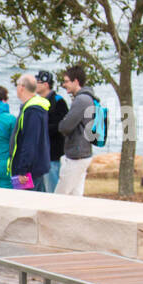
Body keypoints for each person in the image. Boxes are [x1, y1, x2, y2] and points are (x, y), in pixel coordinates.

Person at [56, 65, 99, 196]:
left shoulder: (81, 100)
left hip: (77, 155)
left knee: (59, 195)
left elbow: (65, 126)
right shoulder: (87, 98)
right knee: (75, 196)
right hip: (83, 153)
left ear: (76, 81)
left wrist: (62, 122)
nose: (64, 85)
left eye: (67, 81)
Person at [8, 73, 51, 191]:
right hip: (32, 168)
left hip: (28, 172)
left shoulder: (32, 111)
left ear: (21, 87)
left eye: (17, 85)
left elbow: (30, 141)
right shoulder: (30, 108)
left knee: (24, 204)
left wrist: (23, 170)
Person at [36, 70, 69, 192]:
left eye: (38, 82)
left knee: (52, 187)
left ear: (45, 84)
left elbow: (60, 126)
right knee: (40, 188)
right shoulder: (37, 101)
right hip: (40, 154)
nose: (35, 85)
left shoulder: (58, 101)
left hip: (53, 153)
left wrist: (40, 130)